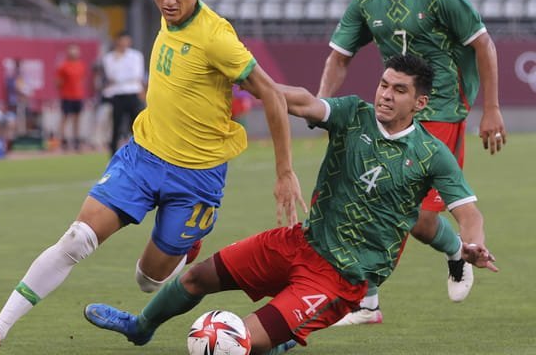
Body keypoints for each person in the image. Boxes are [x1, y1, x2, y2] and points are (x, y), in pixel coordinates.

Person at [0, 0, 306, 354]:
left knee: (148, 281)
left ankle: (187, 246)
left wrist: (284, 172)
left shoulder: (217, 38)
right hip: (144, 157)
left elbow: (271, 93)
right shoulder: (167, 5)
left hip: (198, 177)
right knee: (76, 238)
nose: (169, 1)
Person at [83, 54, 498, 354]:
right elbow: (301, 101)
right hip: (300, 241)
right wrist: (253, 85)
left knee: (238, 342)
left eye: (399, 90)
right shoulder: (354, 114)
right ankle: (140, 327)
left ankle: (278, 338)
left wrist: (472, 243)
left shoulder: (431, 154)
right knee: (196, 279)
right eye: (384, 84)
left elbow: (468, 212)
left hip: (339, 279)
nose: (386, 95)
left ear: (420, 103)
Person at [317, 0, 506, 325]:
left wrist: (492, 107)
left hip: (441, 110)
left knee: (408, 211)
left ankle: (368, 297)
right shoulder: (367, 0)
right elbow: (339, 57)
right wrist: (322, 103)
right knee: (387, 203)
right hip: (395, 112)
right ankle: (370, 300)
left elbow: (484, 45)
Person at [102, 31, 147, 155]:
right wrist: (121, 71)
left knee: (136, 127)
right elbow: (111, 75)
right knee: (116, 127)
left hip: (133, 93)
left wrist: (120, 77)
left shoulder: (136, 56)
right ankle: (112, 155)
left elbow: (136, 74)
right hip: (118, 95)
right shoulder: (110, 57)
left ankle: (141, 154)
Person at [56, 43, 87, 151]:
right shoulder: (63, 66)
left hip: (78, 96)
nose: (74, 52)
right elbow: (58, 82)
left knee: (77, 119)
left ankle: (76, 141)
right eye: (72, 50)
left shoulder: (81, 65)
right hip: (67, 96)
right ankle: (62, 141)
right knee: (65, 118)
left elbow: (81, 80)